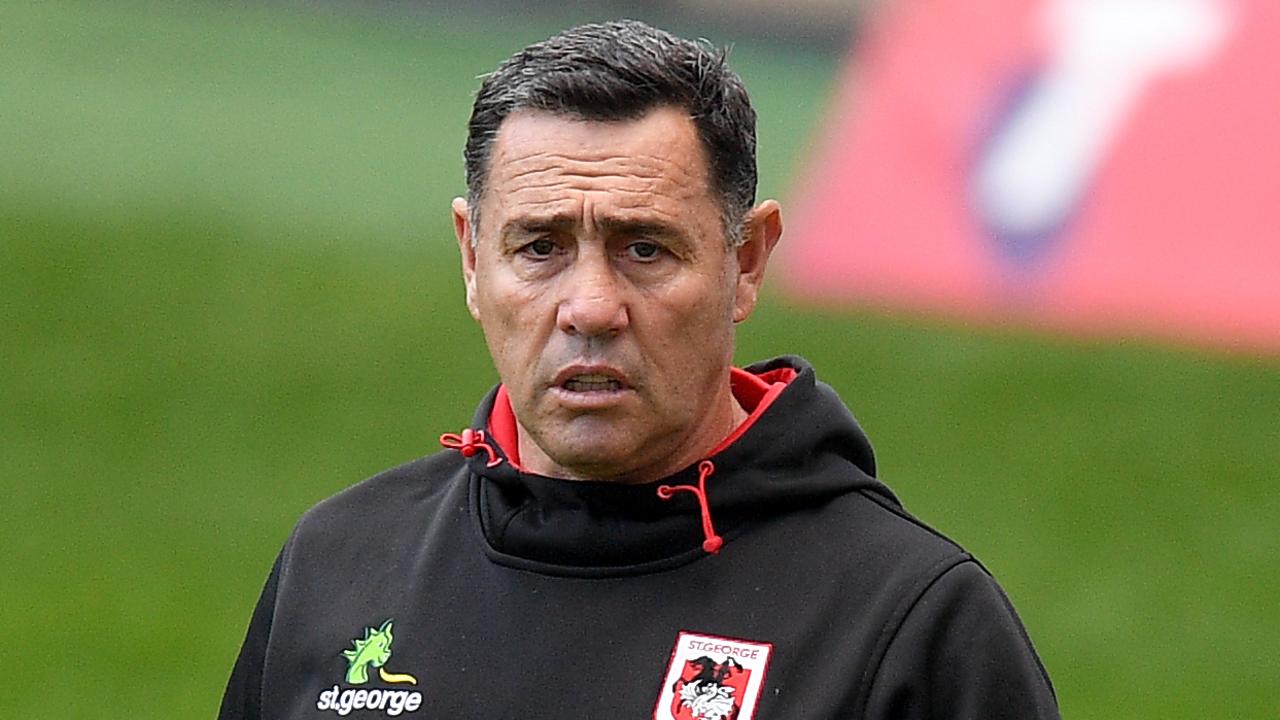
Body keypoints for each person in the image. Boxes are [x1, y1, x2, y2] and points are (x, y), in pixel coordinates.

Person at [219, 20, 1059, 720]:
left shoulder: (909, 623)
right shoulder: (338, 565)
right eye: (540, 248)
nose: (590, 306)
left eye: (645, 249)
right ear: (473, 259)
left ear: (747, 261)